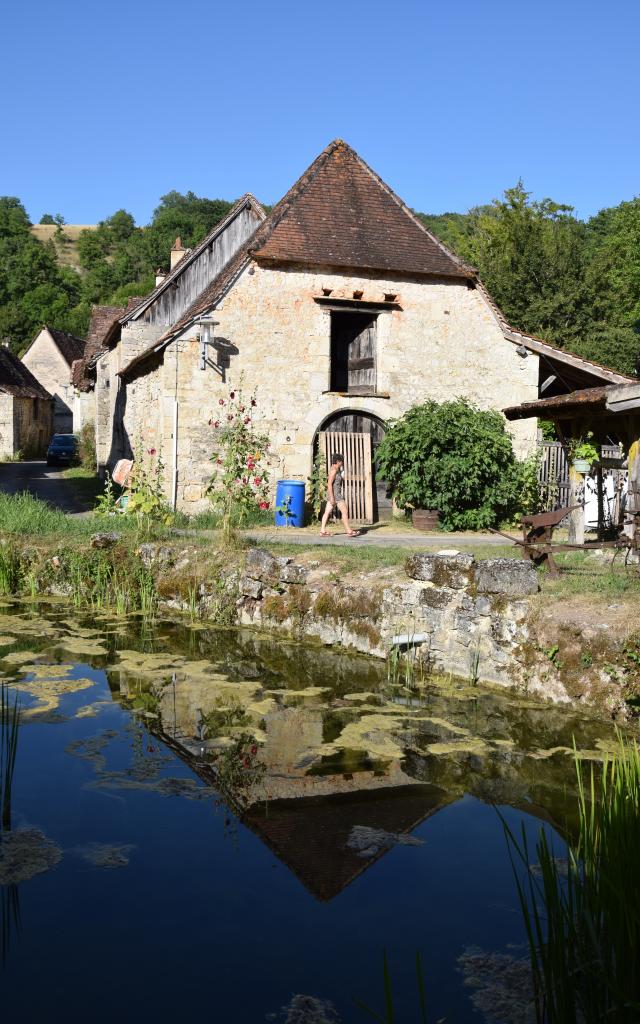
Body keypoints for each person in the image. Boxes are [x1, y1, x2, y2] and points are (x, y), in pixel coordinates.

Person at [320, 453, 361, 537]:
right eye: (341, 461)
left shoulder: (336, 469)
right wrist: (332, 498)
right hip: (335, 495)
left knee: (327, 512)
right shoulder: (334, 470)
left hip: (334, 494)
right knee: (345, 511)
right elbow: (329, 484)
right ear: (338, 461)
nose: (342, 463)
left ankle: (322, 531)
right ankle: (349, 531)